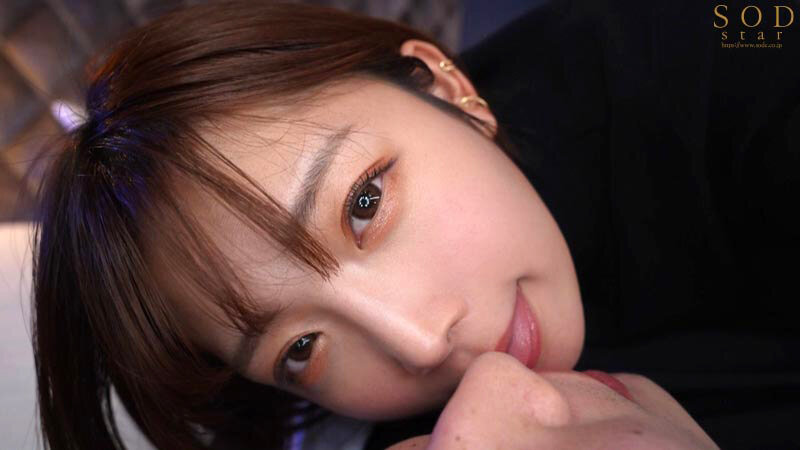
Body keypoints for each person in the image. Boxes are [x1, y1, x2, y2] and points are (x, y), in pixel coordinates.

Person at [26, 1, 784, 449]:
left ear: (447, 89)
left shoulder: (714, 49)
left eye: (363, 204)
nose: (420, 343)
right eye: (300, 349)